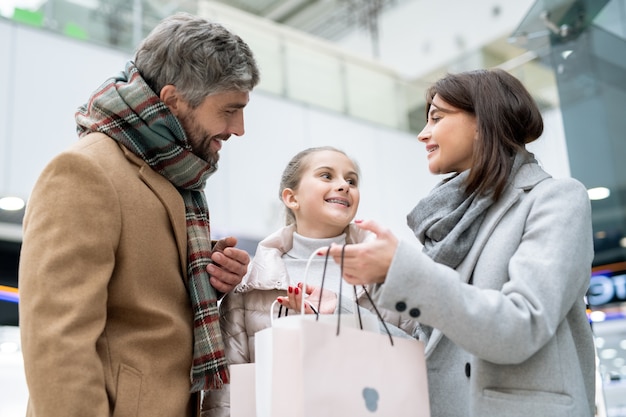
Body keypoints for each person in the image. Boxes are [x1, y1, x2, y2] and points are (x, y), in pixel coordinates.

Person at [18, 12, 259, 417]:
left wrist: (206, 276)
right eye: (229, 110)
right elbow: (57, 342)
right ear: (172, 100)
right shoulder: (84, 172)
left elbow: (146, 306)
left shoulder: (174, 176)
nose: (239, 128)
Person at [323, 69, 596, 417]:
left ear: (484, 120)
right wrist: (344, 310)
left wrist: (402, 269)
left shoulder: (555, 199)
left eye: (436, 118)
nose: (423, 135)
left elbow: (522, 326)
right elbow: (437, 353)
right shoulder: (454, 222)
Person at [201, 146, 419, 416]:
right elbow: (227, 395)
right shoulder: (251, 285)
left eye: (351, 180)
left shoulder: (389, 276)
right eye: (326, 176)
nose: (343, 185)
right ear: (292, 198)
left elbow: (417, 365)